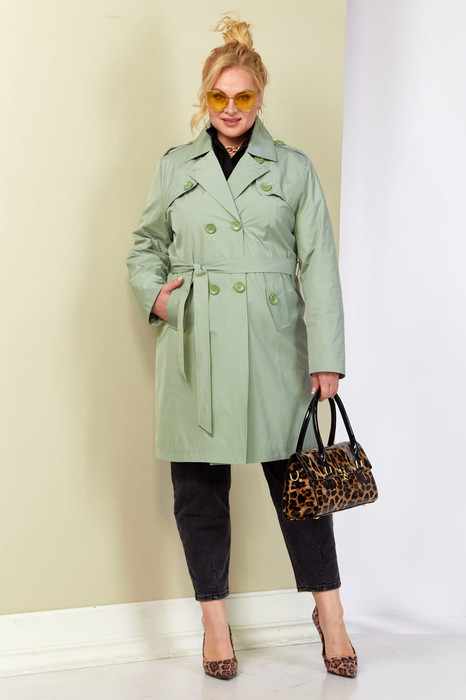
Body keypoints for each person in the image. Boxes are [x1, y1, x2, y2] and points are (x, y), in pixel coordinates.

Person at [127, 15, 357, 681]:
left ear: (260, 97)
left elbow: (319, 265)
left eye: (244, 96)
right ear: (205, 98)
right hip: (195, 345)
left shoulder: (294, 168)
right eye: (219, 97)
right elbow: (145, 245)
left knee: (302, 486)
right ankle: (214, 623)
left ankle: (330, 612)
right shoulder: (175, 166)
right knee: (199, 490)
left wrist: (326, 357)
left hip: (273, 345)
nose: (231, 109)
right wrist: (159, 297)